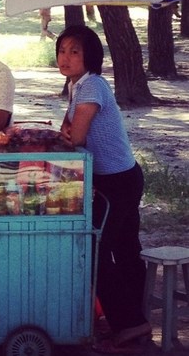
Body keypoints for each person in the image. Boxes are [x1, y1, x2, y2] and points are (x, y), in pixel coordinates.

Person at [55, 26, 151, 353]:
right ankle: (135, 321)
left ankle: (128, 323)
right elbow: (67, 132)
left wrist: (68, 135)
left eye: (75, 52)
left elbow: (76, 137)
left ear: (91, 57)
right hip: (119, 177)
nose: (65, 58)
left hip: (117, 182)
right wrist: (66, 134)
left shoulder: (92, 85)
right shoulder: (76, 85)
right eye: (62, 50)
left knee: (94, 250)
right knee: (124, 249)